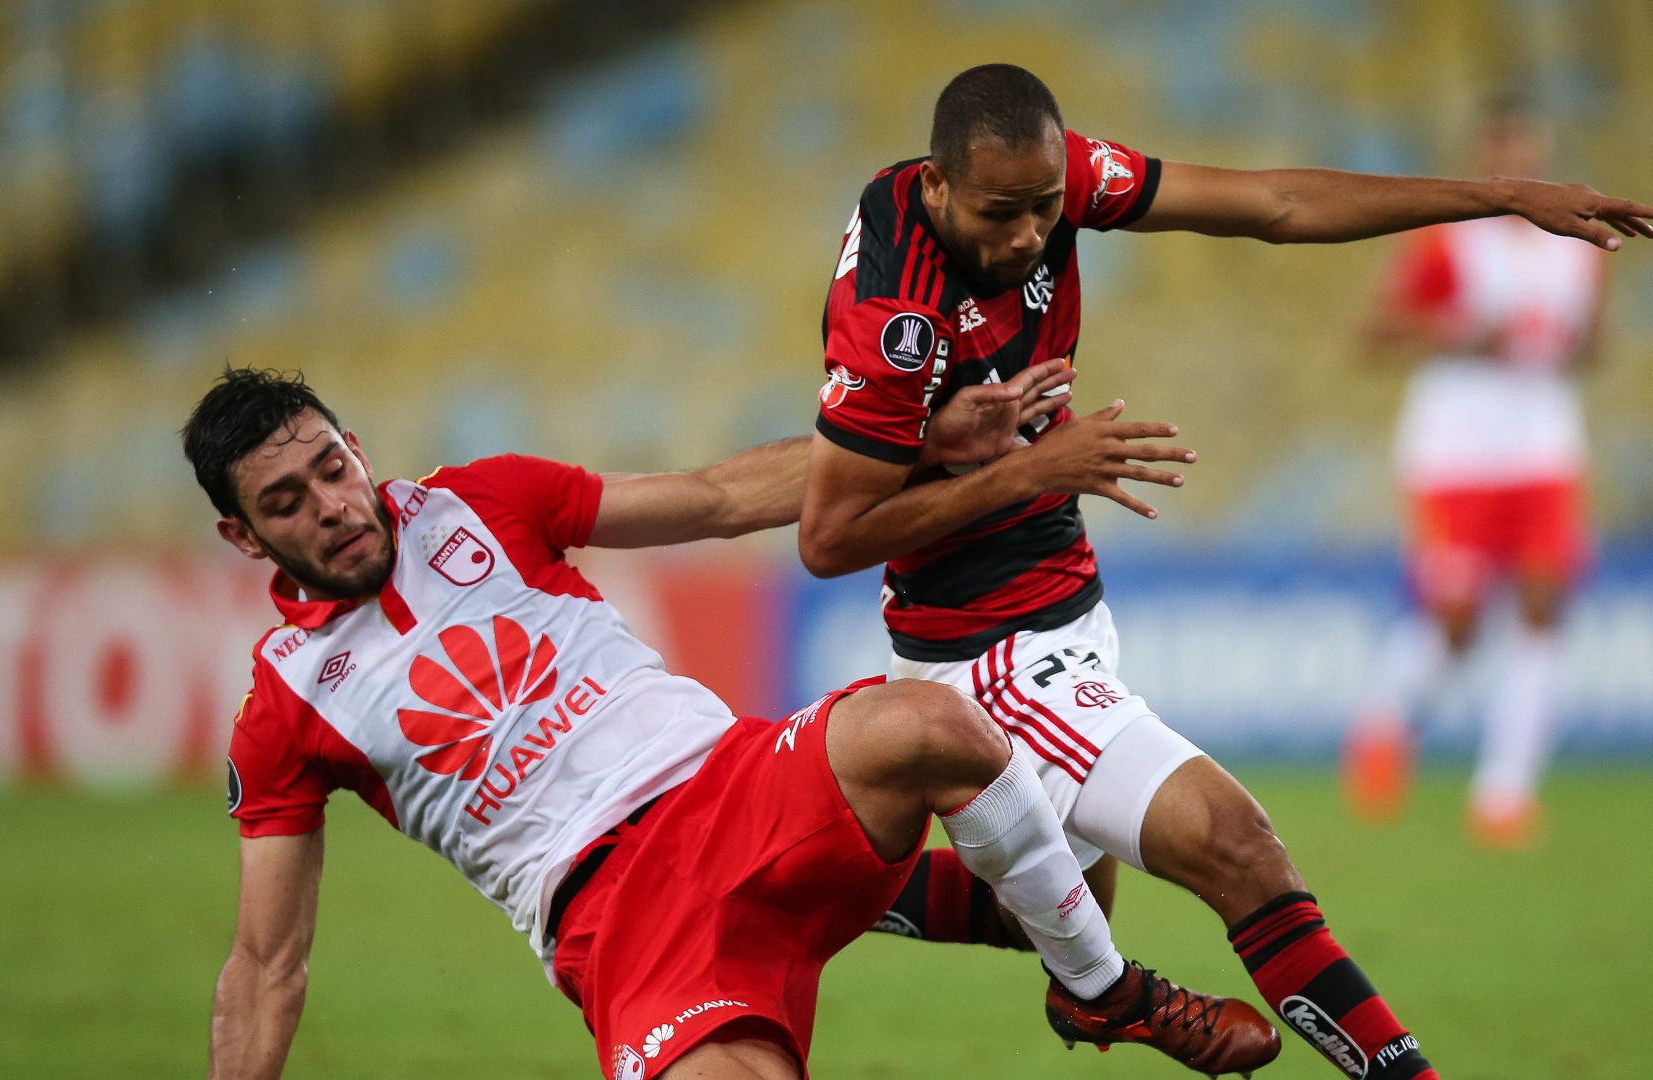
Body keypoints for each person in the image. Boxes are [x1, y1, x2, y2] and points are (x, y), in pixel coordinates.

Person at [799, 63, 1653, 1080]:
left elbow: (1275, 203)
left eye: (1044, 209)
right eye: (1003, 213)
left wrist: (1503, 201)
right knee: (1238, 847)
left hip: (1065, 608)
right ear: (940, 190)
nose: (1031, 235)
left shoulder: (1052, 177)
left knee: (1018, 907)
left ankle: (784, 879)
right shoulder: (894, 318)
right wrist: (1032, 468)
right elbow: (831, 537)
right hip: (981, 654)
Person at [189, 367, 1274, 1080]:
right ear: (245, 537)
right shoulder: (286, 705)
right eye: (286, 501)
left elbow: (712, 499)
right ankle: (952, 906)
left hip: (737, 782)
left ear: (356, 445)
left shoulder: (484, 500)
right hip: (619, 920)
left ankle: (1104, 993)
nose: (331, 504)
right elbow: (263, 963)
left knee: (937, 725)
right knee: (1019, 885)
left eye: (332, 466)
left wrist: (919, 442)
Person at [1341, 100, 1608, 847]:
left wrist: (1573, 343)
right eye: (1505, 151)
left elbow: (1593, 345)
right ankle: (1384, 728)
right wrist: (1464, 334)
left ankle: (1503, 795)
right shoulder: (1449, 243)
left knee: (1543, 605)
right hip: (1455, 451)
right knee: (1456, 624)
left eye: (1530, 147)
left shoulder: (1579, 247)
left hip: (1544, 447)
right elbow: (1376, 332)